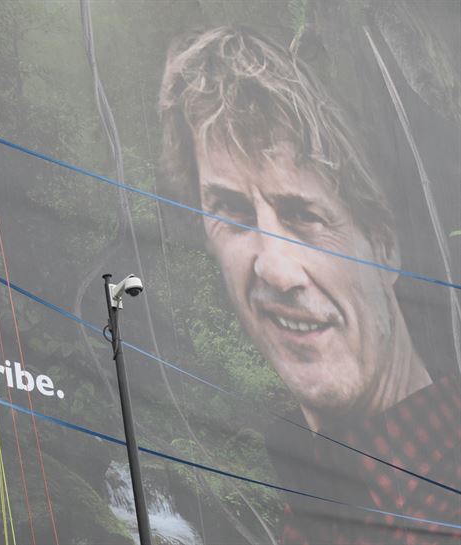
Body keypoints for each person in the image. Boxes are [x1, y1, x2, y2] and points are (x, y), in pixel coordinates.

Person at [158, 27, 460, 544]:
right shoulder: (296, 517)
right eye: (231, 211)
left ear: (383, 246)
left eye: (303, 214)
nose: (275, 269)